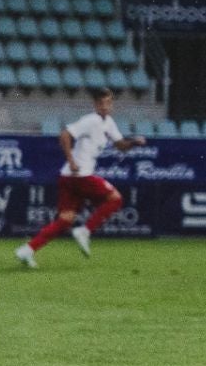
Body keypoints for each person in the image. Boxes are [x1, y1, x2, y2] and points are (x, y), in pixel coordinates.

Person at [15, 87, 146, 268]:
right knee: (115, 199)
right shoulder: (90, 120)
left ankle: (27, 250)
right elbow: (65, 135)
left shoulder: (108, 123)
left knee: (64, 221)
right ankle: (85, 231)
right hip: (80, 175)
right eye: (101, 103)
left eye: (108, 102)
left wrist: (133, 143)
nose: (105, 106)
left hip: (68, 177)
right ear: (95, 104)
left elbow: (120, 145)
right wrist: (71, 160)